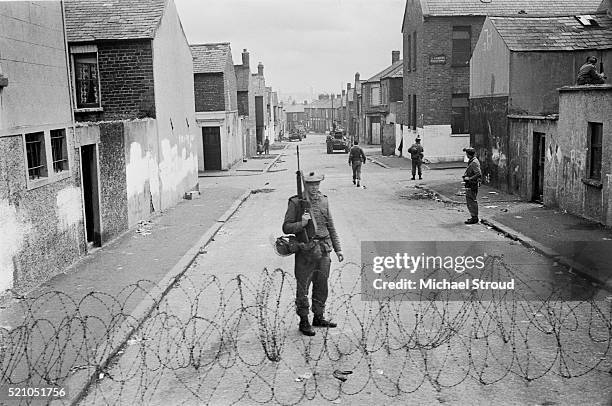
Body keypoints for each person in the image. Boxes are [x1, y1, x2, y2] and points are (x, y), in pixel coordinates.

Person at [282, 172, 344, 336]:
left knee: (321, 284)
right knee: (303, 286)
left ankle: (319, 316)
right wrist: (301, 224)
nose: (314, 187)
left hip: (323, 249)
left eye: (317, 184)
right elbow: (286, 227)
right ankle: (304, 320)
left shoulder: (324, 200)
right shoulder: (296, 202)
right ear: (305, 185)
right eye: (311, 185)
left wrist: (338, 249)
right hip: (305, 251)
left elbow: (330, 225)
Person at [462, 147, 482, 225]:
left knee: (471, 201)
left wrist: (469, 178)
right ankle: (473, 216)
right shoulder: (473, 161)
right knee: (470, 200)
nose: (466, 155)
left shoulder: (474, 162)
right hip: (470, 183)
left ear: (468, 155)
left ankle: (474, 217)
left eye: (466, 153)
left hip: (472, 184)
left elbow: (478, 173)